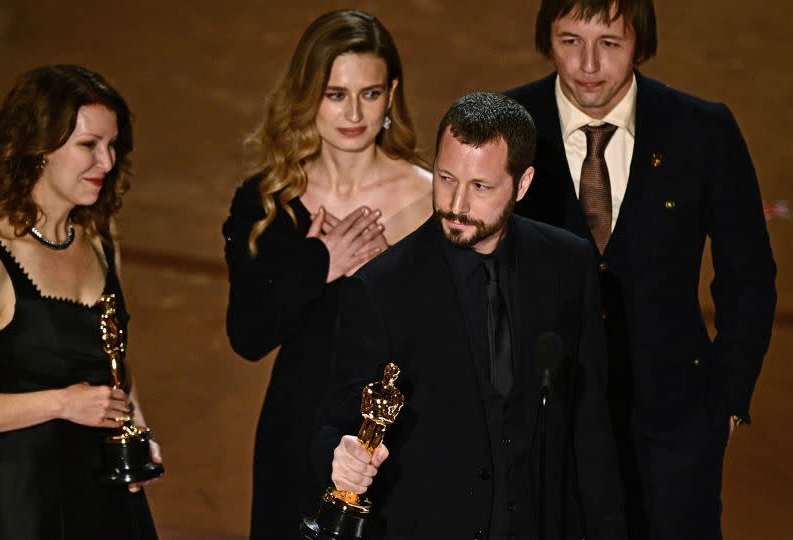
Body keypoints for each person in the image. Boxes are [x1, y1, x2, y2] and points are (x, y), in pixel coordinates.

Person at [504, 1, 778, 538]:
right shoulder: (508, 124)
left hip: (675, 432)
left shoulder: (704, 130)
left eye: (609, 43)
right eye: (569, 41)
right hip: (540, 427)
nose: (587, 64)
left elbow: (748, 277)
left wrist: (724, 401)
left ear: (641, 41)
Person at [314, 92, 626, 539]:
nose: (456, 203)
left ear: (522, 184)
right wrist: (340, 457)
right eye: (445, 178)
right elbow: (334, 426)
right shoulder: (381, 289)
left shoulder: (567, 266)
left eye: (480, 186)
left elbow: (591, 424)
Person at [0, 65, 161, 539]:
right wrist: (62, 404)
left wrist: (138, 427)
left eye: (112, 146)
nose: (107, 162)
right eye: (89, 146)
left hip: (101, 495)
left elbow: (112, 360)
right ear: (39, 148)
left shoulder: (100, 241)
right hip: (17, 502)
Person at [221, 9, 432, 537]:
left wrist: (390, 276)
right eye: (336, 94)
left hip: (400, 443)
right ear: (308, 94)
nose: (354, 113)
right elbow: (247, 335)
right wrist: (321, 264)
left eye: (370, 93)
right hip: (297, 428)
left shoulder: (433, 198)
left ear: (392, 94)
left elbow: (453, 337)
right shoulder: (270, 200)